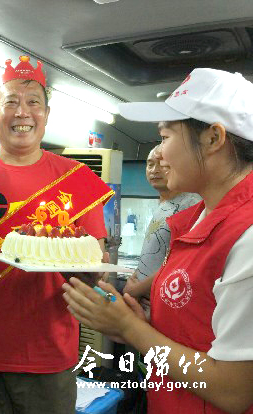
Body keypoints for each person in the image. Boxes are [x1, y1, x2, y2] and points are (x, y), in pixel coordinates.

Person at [63, 68, 253, 414]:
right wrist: (140, 325)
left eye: (165, 138)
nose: (160, 155)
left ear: (213, 138)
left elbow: (233, 389)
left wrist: (131, 329)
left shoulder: (246, 236)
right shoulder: (197, 219)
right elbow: (197, 330)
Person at [0, 55, 111, 413]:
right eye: (10, 102)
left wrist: (91, 274)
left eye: (33, 103)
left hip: (48, 356)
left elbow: (93, 267)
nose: (22, 112)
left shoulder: (78, 179)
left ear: (47, 114)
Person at [122, 145, 201, 309]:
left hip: (162, 301)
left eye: (163, 164)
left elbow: (181, 263)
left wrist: (136, 289)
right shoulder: (165, 204)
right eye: (150, 164)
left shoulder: (190, 205)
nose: (154, 170)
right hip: (145, 299)